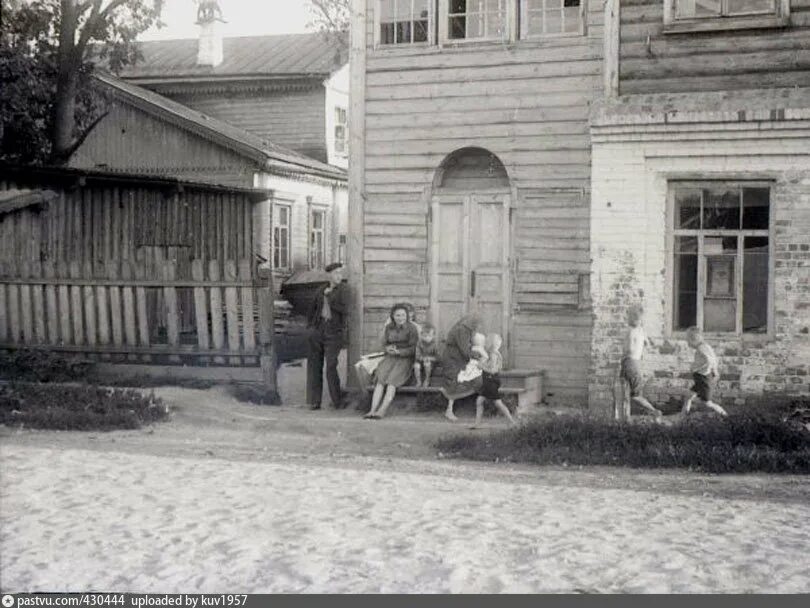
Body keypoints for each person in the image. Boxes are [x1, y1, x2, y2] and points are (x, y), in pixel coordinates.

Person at [364, 303, 419, 419]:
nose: (400, 318)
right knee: (380, 380)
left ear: (407, 316)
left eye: (403, 315)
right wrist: (387, 349)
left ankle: (382, 410)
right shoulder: (389, 327)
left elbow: (414, 349)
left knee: (391, 382)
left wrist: (400, 352)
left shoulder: (412, 328)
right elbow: (384, 344)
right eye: (398, 315)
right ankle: (372, 410)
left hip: (404, 359)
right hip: (390, 357)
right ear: (393, 316)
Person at [306, 263, 349, 410]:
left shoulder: (344, 290)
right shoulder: (320, 290)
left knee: (331, 366)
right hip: (318, 330)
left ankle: (337, 401)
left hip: (334, 332)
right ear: (329, 275)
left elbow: (345, 309)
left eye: (340, 273)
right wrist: (311, 329)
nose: (339, 276)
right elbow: (311, 311)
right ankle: (314, 401)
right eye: (336, 273)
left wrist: (330, 297)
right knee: (314, 365)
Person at [619, 306, 663, 419]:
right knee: (626, 392)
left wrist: (623, 355)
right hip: (636, 363)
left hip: (629, 362)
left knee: (634, 395)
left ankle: (654, 411)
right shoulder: (641, 331)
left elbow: (629, 349)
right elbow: (648, 344)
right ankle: (625, 417)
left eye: (628, 317)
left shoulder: (630, 331)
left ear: (631, 318)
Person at [441, 313, 484, 422]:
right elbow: (464, 350)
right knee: (456, 379)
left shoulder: (465, 330)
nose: (478, 327)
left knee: (472, 376)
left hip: (459, 359)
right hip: (453, 360)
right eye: (478, 324)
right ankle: (449, 410)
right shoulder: (462, 330)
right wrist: (478, 355)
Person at [471, 333, 516, 428]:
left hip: (491, 381)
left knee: (498, 403)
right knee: (479, 401)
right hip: (489, 381)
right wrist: (481, 364)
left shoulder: (493, 354)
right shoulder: (492, 353)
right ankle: (477, 424)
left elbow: (492, 370)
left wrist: (481, 366)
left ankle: (512, 422)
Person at [682, 326, 728, 417]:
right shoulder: (704, 347)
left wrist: (697, 368)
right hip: (700, 378)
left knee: (707, 403)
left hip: (703, 379)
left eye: (688, 340)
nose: (687, 343)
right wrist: (714, 370)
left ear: (694, 339)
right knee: (688, 397)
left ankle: (725, 415)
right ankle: (683, 416)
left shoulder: (702, 348)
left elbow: (710, 360)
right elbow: (714, 360)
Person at [413, 322, 439, 387]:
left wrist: (430, 358)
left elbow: (438, 357)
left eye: (429, 336)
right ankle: (418, 381)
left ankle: (427, 379)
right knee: (416, 366)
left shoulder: (434, 344)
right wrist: (422, 358)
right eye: (425, 336)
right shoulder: (419, 343)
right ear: (421, 335)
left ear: (433, 336)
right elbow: (417, 355)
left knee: (427, 364)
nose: (427, 338)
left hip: (430, 362)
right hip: (420, 361)